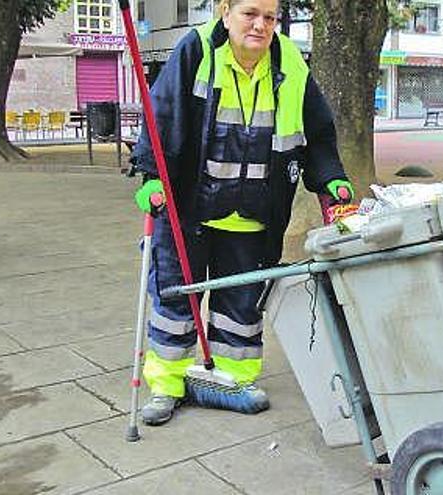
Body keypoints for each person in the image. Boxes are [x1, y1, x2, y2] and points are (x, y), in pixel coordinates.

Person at [130, 0, 353, 426]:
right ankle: (167, 383)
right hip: (190, 207)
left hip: (255, 212)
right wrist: (150, 175)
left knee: (243, 304)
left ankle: (232, 379)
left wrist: (331, 178)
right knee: (175, 298)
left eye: (270, 17)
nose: (261, 25)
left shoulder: (291, 62)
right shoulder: (196, 50)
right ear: (224, 10)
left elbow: (318, 132)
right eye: (251, 13)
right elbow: (161, 115)